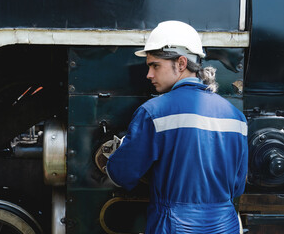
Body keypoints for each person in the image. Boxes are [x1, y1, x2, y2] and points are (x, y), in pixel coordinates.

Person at [105, 20, 248, 233]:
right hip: (225, 225)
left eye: (155, 65)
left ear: (181, 63)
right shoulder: (236, 118)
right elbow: (237, 186)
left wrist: (122, 147)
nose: (149, 75)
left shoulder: (154, 112)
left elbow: (121, 174)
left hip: (173, 226)